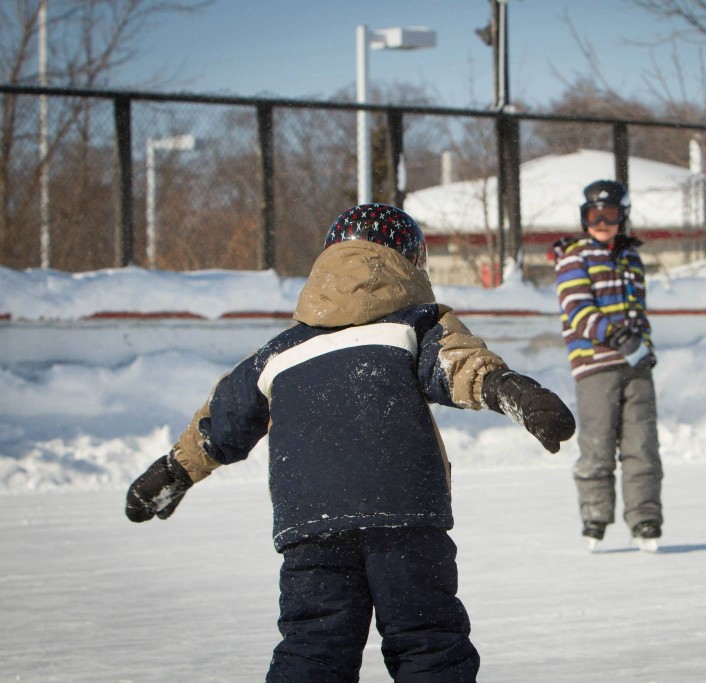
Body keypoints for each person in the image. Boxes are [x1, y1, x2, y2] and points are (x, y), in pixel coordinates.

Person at [125, 203, 576, 682]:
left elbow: (222, 421)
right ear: (409, 262)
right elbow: (456, 365)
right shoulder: (414, 324)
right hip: (402, 510)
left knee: (313, 649)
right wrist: (508, 389)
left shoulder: (278, 352)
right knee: (426, 641)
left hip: (310, 521)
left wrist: (173, 471)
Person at [552, 179, 663, 553]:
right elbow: (578, 310)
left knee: (642, 445)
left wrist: (642, 347)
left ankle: (645, 518)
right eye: (593, 214)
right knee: (597, 445)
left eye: (610, 214)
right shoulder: (574, 256)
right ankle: (595, 516)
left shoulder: (631, 259)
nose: (601, 221)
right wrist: (618, 338)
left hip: (636, 365)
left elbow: (638, 314)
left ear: (623, 216)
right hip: (596, 366)